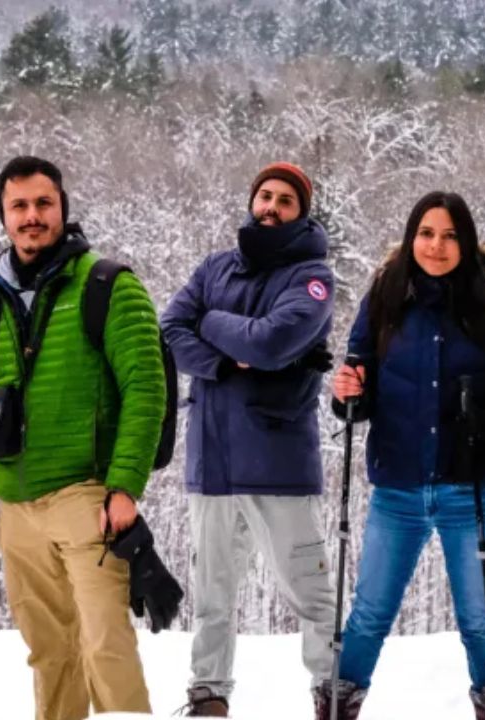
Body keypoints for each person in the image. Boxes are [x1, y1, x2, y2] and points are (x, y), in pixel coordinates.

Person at [0, 156, 167, 720]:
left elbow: (147, 390)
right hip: (16, 506)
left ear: (63, 208)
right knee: (50, 655)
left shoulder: (108, 286)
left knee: (104, 648)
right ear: (2, 217)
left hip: (86, 497)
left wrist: (123, 488)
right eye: (18, 206)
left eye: (43, 203)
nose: (32, 217)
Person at [325, 192, 485, 719]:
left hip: (471, 487)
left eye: (449, 235)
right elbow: (358, 381)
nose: (436, 246)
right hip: (398, 486)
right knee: (369, 613)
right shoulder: (386, 297)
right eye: (426, 233)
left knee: (479, 621)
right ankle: (336, 706)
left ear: (466, 240)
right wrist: (346, 393)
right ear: (411, 235)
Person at [161, 161, 338, 717]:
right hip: (211, 460)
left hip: (278, 460)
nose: (272, 206)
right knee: (212, 596)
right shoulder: (216, 267)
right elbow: (170, 329)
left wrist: (210, 323)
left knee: (309, 592)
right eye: (265, 195)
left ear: (300, 212)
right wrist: (227, 358)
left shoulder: (312, 278)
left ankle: (334, 693)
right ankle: (208, 693)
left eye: (286, 200)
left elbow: (272, 339)